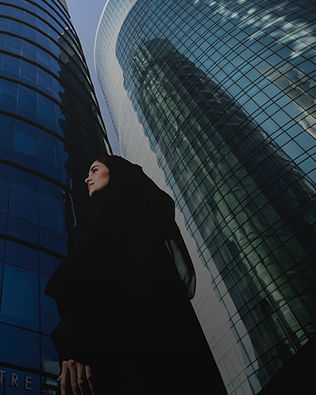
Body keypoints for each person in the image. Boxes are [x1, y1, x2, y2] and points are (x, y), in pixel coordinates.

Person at [44, 156, 226, 394]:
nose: (87, 178)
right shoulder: (140, 215)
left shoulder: (118, 213)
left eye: (95, 170)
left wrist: (79, 345)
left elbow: (104, 277)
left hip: (135, 350)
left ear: (116, 172)